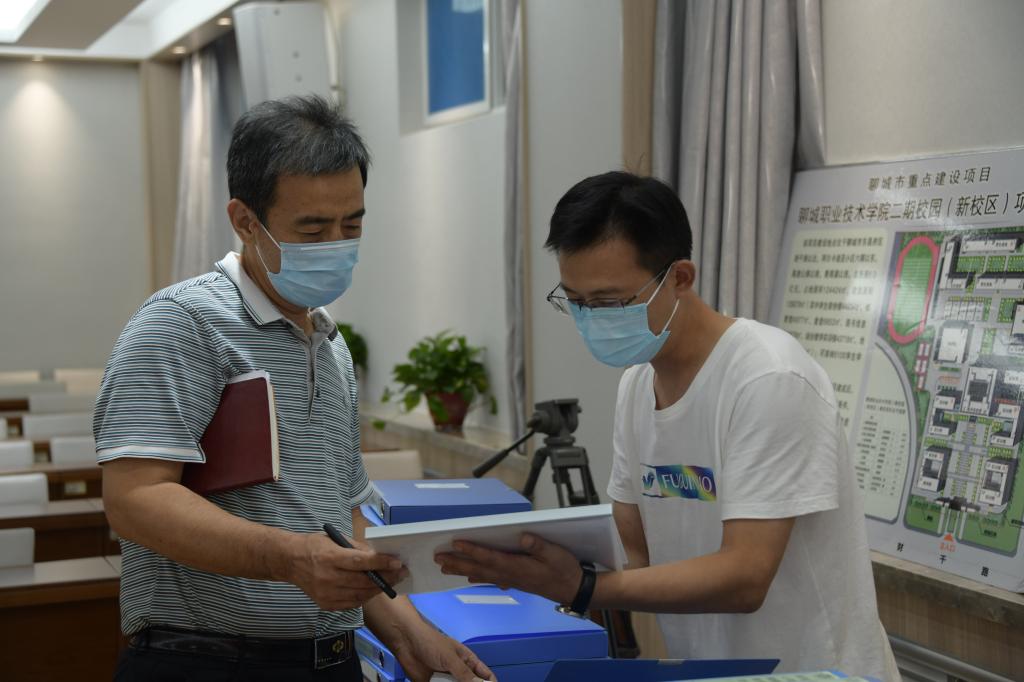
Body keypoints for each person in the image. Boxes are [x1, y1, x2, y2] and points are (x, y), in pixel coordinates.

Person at [436, 171, 899, 679]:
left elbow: (746, 577)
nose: (592, 319)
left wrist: (584, 587)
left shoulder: (768, 378)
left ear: (680, 277)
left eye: (610, 301)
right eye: (576, 302)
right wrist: (524, 561)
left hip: (815, 671)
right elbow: (635, 552)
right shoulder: (638, 385)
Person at [97, 95, 493, 682]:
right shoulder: (182, 322)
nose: (336, 243)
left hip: (330, 659)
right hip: (206, 661)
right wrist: (290, 557)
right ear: (244, 220)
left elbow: (339, 521)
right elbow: (134, 499)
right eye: (312, 228)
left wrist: (411, 634)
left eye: (351, 224)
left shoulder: (330, 344)